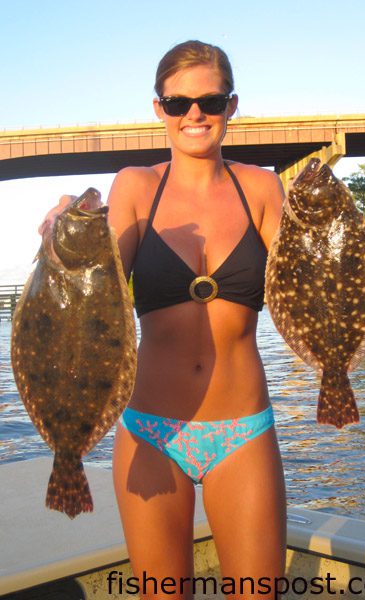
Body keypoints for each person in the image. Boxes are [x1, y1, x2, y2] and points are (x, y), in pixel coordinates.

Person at [41, 40, 286, 600]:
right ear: (159, 109)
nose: (194, 114)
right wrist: (60, 235)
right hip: (151, 432)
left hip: (244, 432)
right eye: (177, 104)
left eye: (209, 100)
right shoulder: (135, 187)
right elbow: (86, 295)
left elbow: (309, 285)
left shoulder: (262, 188)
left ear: (231, 105)